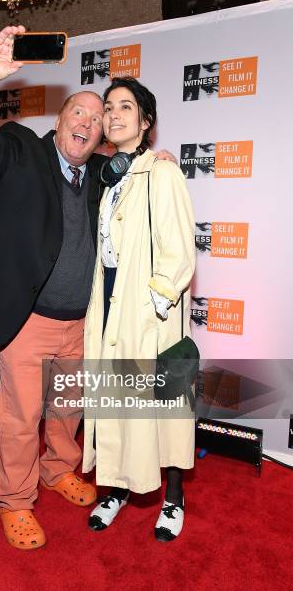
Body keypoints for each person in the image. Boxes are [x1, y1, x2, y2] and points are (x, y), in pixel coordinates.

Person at [0, 27, 175, 550]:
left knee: (67, 413)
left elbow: (132, 172)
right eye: (80, 112)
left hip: (82, 323)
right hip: (28, 323)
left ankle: (58, 470)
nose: (90, 123)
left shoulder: (100, 174)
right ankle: (16, 500)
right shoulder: (20, 152)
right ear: (59, 120)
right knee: (22, 418)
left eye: (98, 120)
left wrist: (154, 161)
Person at [82, 77, 196, 542]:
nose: (113, 114)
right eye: (109, 107)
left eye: (126, 107)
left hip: (149, 308)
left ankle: (173, 498)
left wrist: (158, 298)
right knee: (114, 395)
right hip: (108, 299)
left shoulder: (163, 171)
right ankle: (116, 488)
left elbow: (180, 245)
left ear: (146, 121)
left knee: (164, 403)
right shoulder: (109, 176)